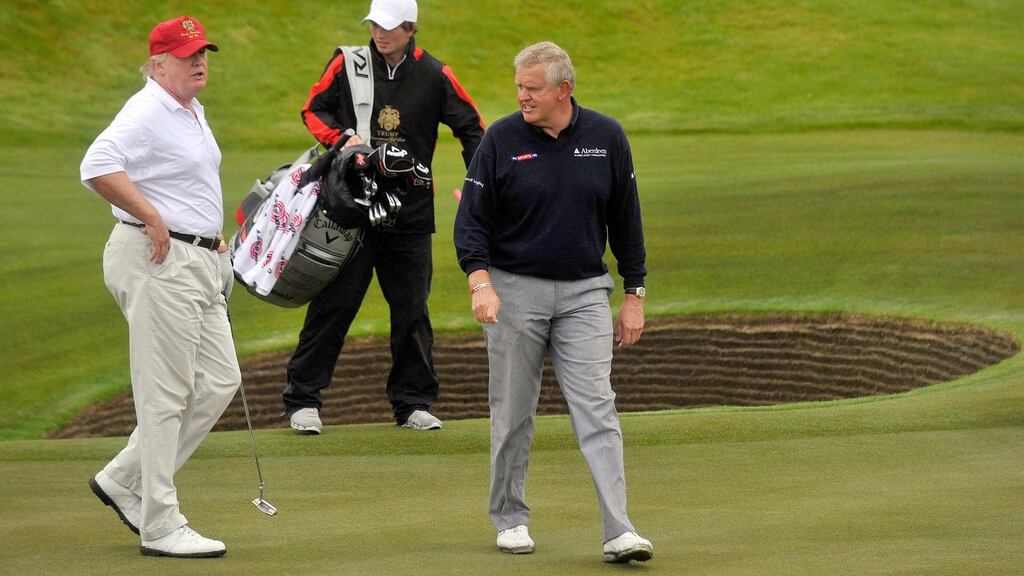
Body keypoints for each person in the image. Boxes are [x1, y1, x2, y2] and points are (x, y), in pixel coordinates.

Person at [453, 41, 654, 563]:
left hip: (586, 292)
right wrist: (481, 283)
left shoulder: (607, 137)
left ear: (564, 89)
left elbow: (626, 220)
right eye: (519, 86)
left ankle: (619, 530)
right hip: (513, 291)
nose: (522, 95)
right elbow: (471, 222)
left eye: (532, 88)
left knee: (598, 408)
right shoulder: (500, 139)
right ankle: (510, 517)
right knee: (514, 411)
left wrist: (634, 294)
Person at [284, 0, 485, 434]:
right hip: (351, 209)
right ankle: (303, 400)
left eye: (390, 26)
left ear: (411, 28)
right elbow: (313, 109)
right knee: (334, 307)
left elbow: (472, 128)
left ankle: (413, 403)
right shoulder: (348, 63)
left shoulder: (435, 74)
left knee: (412, 311)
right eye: (375, 24)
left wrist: (482, 186)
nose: (380, 33)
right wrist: (343, 138)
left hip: (410, 212)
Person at [80, 15, 240, 558]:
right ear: (157, 63)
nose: (199, 61)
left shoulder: (189, 109)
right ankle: (160, 524)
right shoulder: (148, 108)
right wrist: (152, 216)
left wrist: (209, 231)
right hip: (158, 260)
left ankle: (124, 478)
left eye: (203, 53)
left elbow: (186, 179)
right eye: (187, 54)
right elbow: (97, 164)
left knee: (219, 380)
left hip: (197, 258)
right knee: (165, 394)